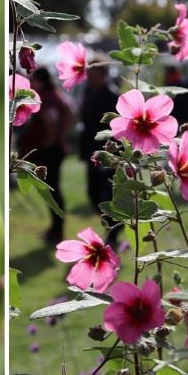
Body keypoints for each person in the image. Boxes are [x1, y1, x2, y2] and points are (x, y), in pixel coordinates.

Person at [18, 66, 72, 245]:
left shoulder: (46, 99)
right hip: (57, 148)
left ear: (39, 81)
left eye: (33, 80)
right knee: (53, 191)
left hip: (49, 151)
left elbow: (51, 118)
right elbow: (71, 114)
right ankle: (55, 229)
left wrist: (49, 140)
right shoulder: (57, 95)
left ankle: (57, 231)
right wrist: (62, 135)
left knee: (51, 192)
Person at [78, 60, 121, 245]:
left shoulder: (111, 95)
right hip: (91, 149)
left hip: (107, 151)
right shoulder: (88, 90)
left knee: (107, 194)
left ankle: (114, 230)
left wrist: (113, 155)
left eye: (93, 72)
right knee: (92, 192)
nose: (89, 76)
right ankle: (113, 225)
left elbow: (117, 128)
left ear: (103, 74)